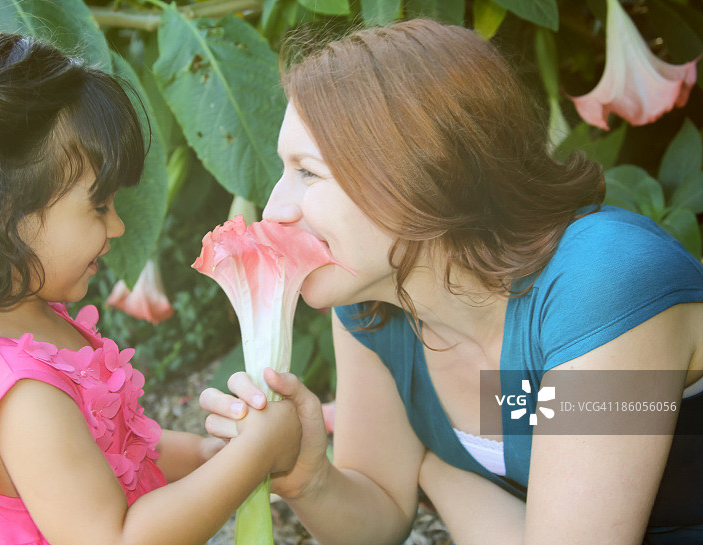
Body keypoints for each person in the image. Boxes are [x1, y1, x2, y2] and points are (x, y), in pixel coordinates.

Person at [200, 18, 703, 545]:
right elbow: (379, 515)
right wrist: (309, 478)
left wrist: (437, 472)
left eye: (307, 172)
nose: (275, 209)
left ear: (420, 173)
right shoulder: (373, 310)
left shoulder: (604, 283)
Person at [0, 31, 300, 545]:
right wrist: (252, 459)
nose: (117, 228)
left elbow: (116, 453)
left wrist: (207, 458)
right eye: (98, 205)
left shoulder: (19, 320)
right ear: (2, 214)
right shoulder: (22, 394)